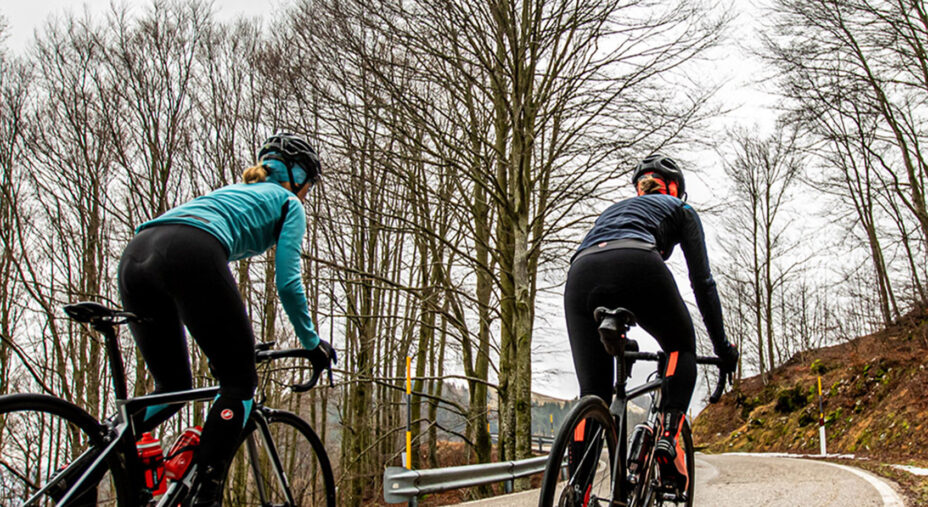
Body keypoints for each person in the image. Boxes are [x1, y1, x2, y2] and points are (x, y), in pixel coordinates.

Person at [117, 133, 337, 506]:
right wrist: (311, 341)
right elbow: (288, 282)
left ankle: (95, 456)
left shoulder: (234, 192)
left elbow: (200, 296)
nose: (307, 195)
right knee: (238, 381)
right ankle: (206, 495)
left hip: (136, 254)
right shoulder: (288, 202)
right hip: (190, 250)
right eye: (309, 186)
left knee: (171, 387)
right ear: (298, 176)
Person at [564, 153, 738, 494]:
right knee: (680, 346)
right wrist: (722, 347)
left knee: (593, 393)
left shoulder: (614, 211)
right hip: (638, 262)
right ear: (674, 189)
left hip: (580, 274)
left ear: (640, 188)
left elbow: (606, 265)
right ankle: (668, 440)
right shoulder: (681, 210)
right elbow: (702, 283)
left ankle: (576, 490)